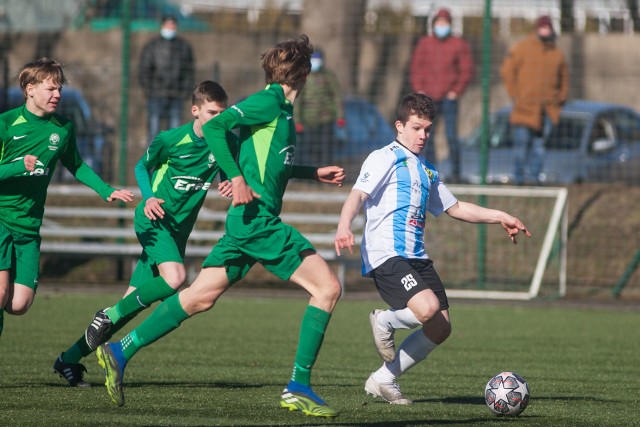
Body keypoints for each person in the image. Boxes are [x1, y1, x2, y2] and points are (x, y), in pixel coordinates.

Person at [95, 35, 346, 417]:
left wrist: (313, 173)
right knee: (327, 287)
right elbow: (216, 130)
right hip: (258, 222)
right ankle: (298, 386)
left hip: (246, 223)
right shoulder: (269, 102)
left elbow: (267, 166)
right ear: (304, 73)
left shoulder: (279, 109)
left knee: (198, 297)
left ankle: (119, 349)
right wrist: (236, 178)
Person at [334, 93, 531, 405]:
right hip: (387, 253)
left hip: (417, 256)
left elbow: (455, 207)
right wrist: (344, 225)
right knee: (425, 310)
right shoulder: (383, 156)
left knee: (440, 326)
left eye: (427, 129)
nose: (423, 135)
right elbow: (357, 195)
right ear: (399, 126)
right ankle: (385, 320)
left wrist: (500, 216)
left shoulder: (426, 170)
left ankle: (383, 378)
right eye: (416, 128)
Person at [53, 80, 234, 387]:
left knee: (128, 307)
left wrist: (227, 181)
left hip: (176, 233)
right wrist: (148, 196)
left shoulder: (223, 141)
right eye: (212, 112)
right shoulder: (172, 139)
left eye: (223, 113)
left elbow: (224, 170)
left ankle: (68, 359)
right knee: (175, 279)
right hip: (152, 220)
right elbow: (141, 166)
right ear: (195, 111)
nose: (219, 119)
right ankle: (107, 315)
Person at [0, 58, 134, 339]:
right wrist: (16, 165)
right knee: (0, 294)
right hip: (1, 220)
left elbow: (77, 165)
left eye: (59, 89)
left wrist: (106, 190)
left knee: (19, 304)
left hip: (28, 227)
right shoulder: (6, 124)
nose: (57, 95)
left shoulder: (62, 129)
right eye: (50, 89)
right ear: (30, 89)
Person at [500, 15, 569, 185]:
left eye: (548, 28)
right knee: (521, 147)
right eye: (542, 27)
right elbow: (507, 71)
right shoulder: (522, 48)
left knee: (539, 147)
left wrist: (559, 98)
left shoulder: (557, 54)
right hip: (525, 108)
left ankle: (535, 180)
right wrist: (516, 95)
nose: (545, 31)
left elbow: (564, 79)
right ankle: (518, 180)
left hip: (548, 109)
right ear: (537, 29)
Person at [409, 8, 474, 182]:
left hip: (449, 98)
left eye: (445, 23)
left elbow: (466, 70)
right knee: (426, 136)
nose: (441, 26)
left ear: (450, 25)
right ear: (433, 24)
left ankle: (456, 174)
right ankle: (429, 172)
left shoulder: (458, 44)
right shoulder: (425, 43)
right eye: (439, 23)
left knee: (451, 136)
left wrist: (456, 91)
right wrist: (420, 89)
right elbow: (416, 68)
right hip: (428, 98)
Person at [139, 15, 195, 144]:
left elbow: (189, 71)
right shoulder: (152, 46)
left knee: (175, 133)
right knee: (153, 131)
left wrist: (184, 91)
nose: (170, 28)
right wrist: (150, 90)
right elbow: (144, 70)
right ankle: (152, 161)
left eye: (173, 25)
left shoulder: (183, 47)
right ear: (162, 26)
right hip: (156, 95)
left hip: (176, 96)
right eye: (168, 25)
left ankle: (172, 162)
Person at [294, 48, 345, 165]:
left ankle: (326, 173)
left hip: (326, 120)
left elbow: (337, 97)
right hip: (308, 121)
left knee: (326, 148)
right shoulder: (304, 77)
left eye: (318, 59)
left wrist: (340, 117)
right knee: (310, 149)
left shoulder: (328, 76)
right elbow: (298, 101)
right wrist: (297, 121)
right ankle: (312, 176)